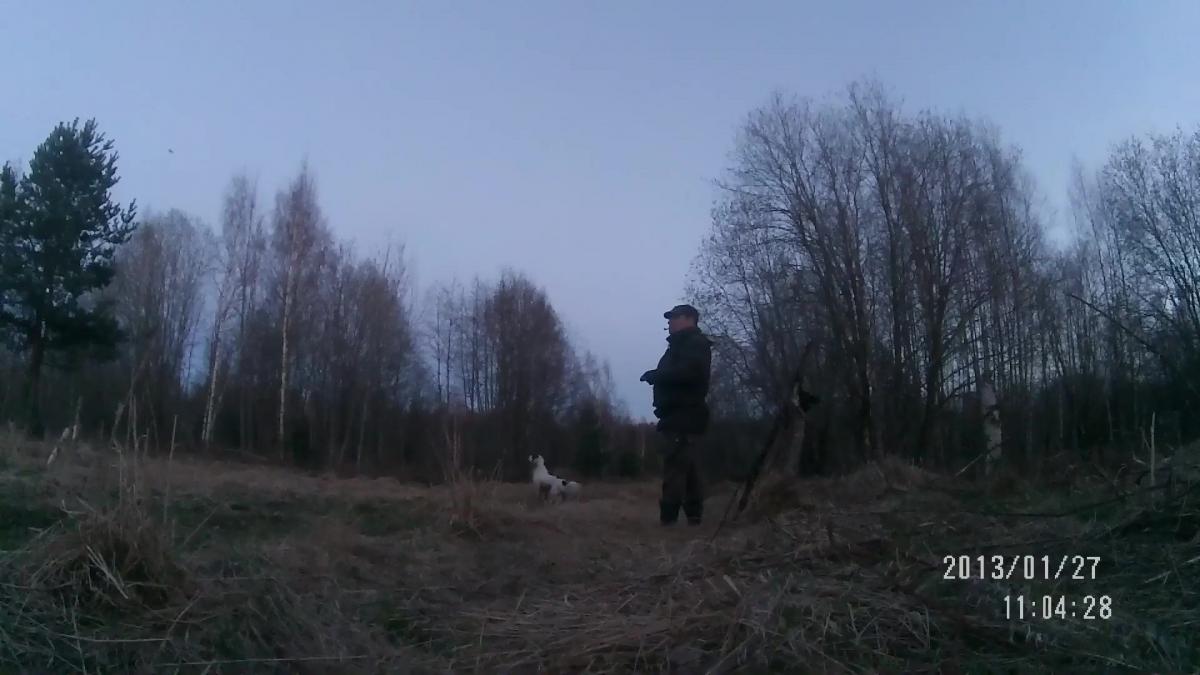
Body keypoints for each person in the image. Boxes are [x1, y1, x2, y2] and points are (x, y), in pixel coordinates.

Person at [640, 304, 713, 526]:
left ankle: (669, 520)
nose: (670, 322)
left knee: (675, 467)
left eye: (674, 317)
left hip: (684, 414)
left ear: (690, 319)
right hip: (679, 414)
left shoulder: (695, 344)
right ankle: (693, 516)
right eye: (670, 318)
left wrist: (657, 375)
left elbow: (690, 373)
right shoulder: (681, 346)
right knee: (688, 468)